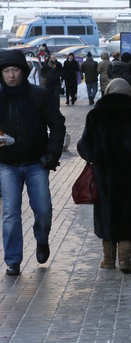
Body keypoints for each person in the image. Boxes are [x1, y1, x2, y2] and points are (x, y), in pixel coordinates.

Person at [0, 50, 66, 276]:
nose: (10, 75)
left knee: (43, 210)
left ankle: (41, 238)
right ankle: (13, 260)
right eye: (6, 71)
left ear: (23, 72)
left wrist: (52, 154)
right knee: (10, 212)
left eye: (15, 70)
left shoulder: (38, 95)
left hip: (36, 163)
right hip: (6, 164)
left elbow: (57, 124)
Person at [76, 78, 131, 274]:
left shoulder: (95, 116)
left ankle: (108, 260)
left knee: (106, 214)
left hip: (104, 176)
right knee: (129, 215)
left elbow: (85, 146)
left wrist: (95, 155)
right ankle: (125, 259)